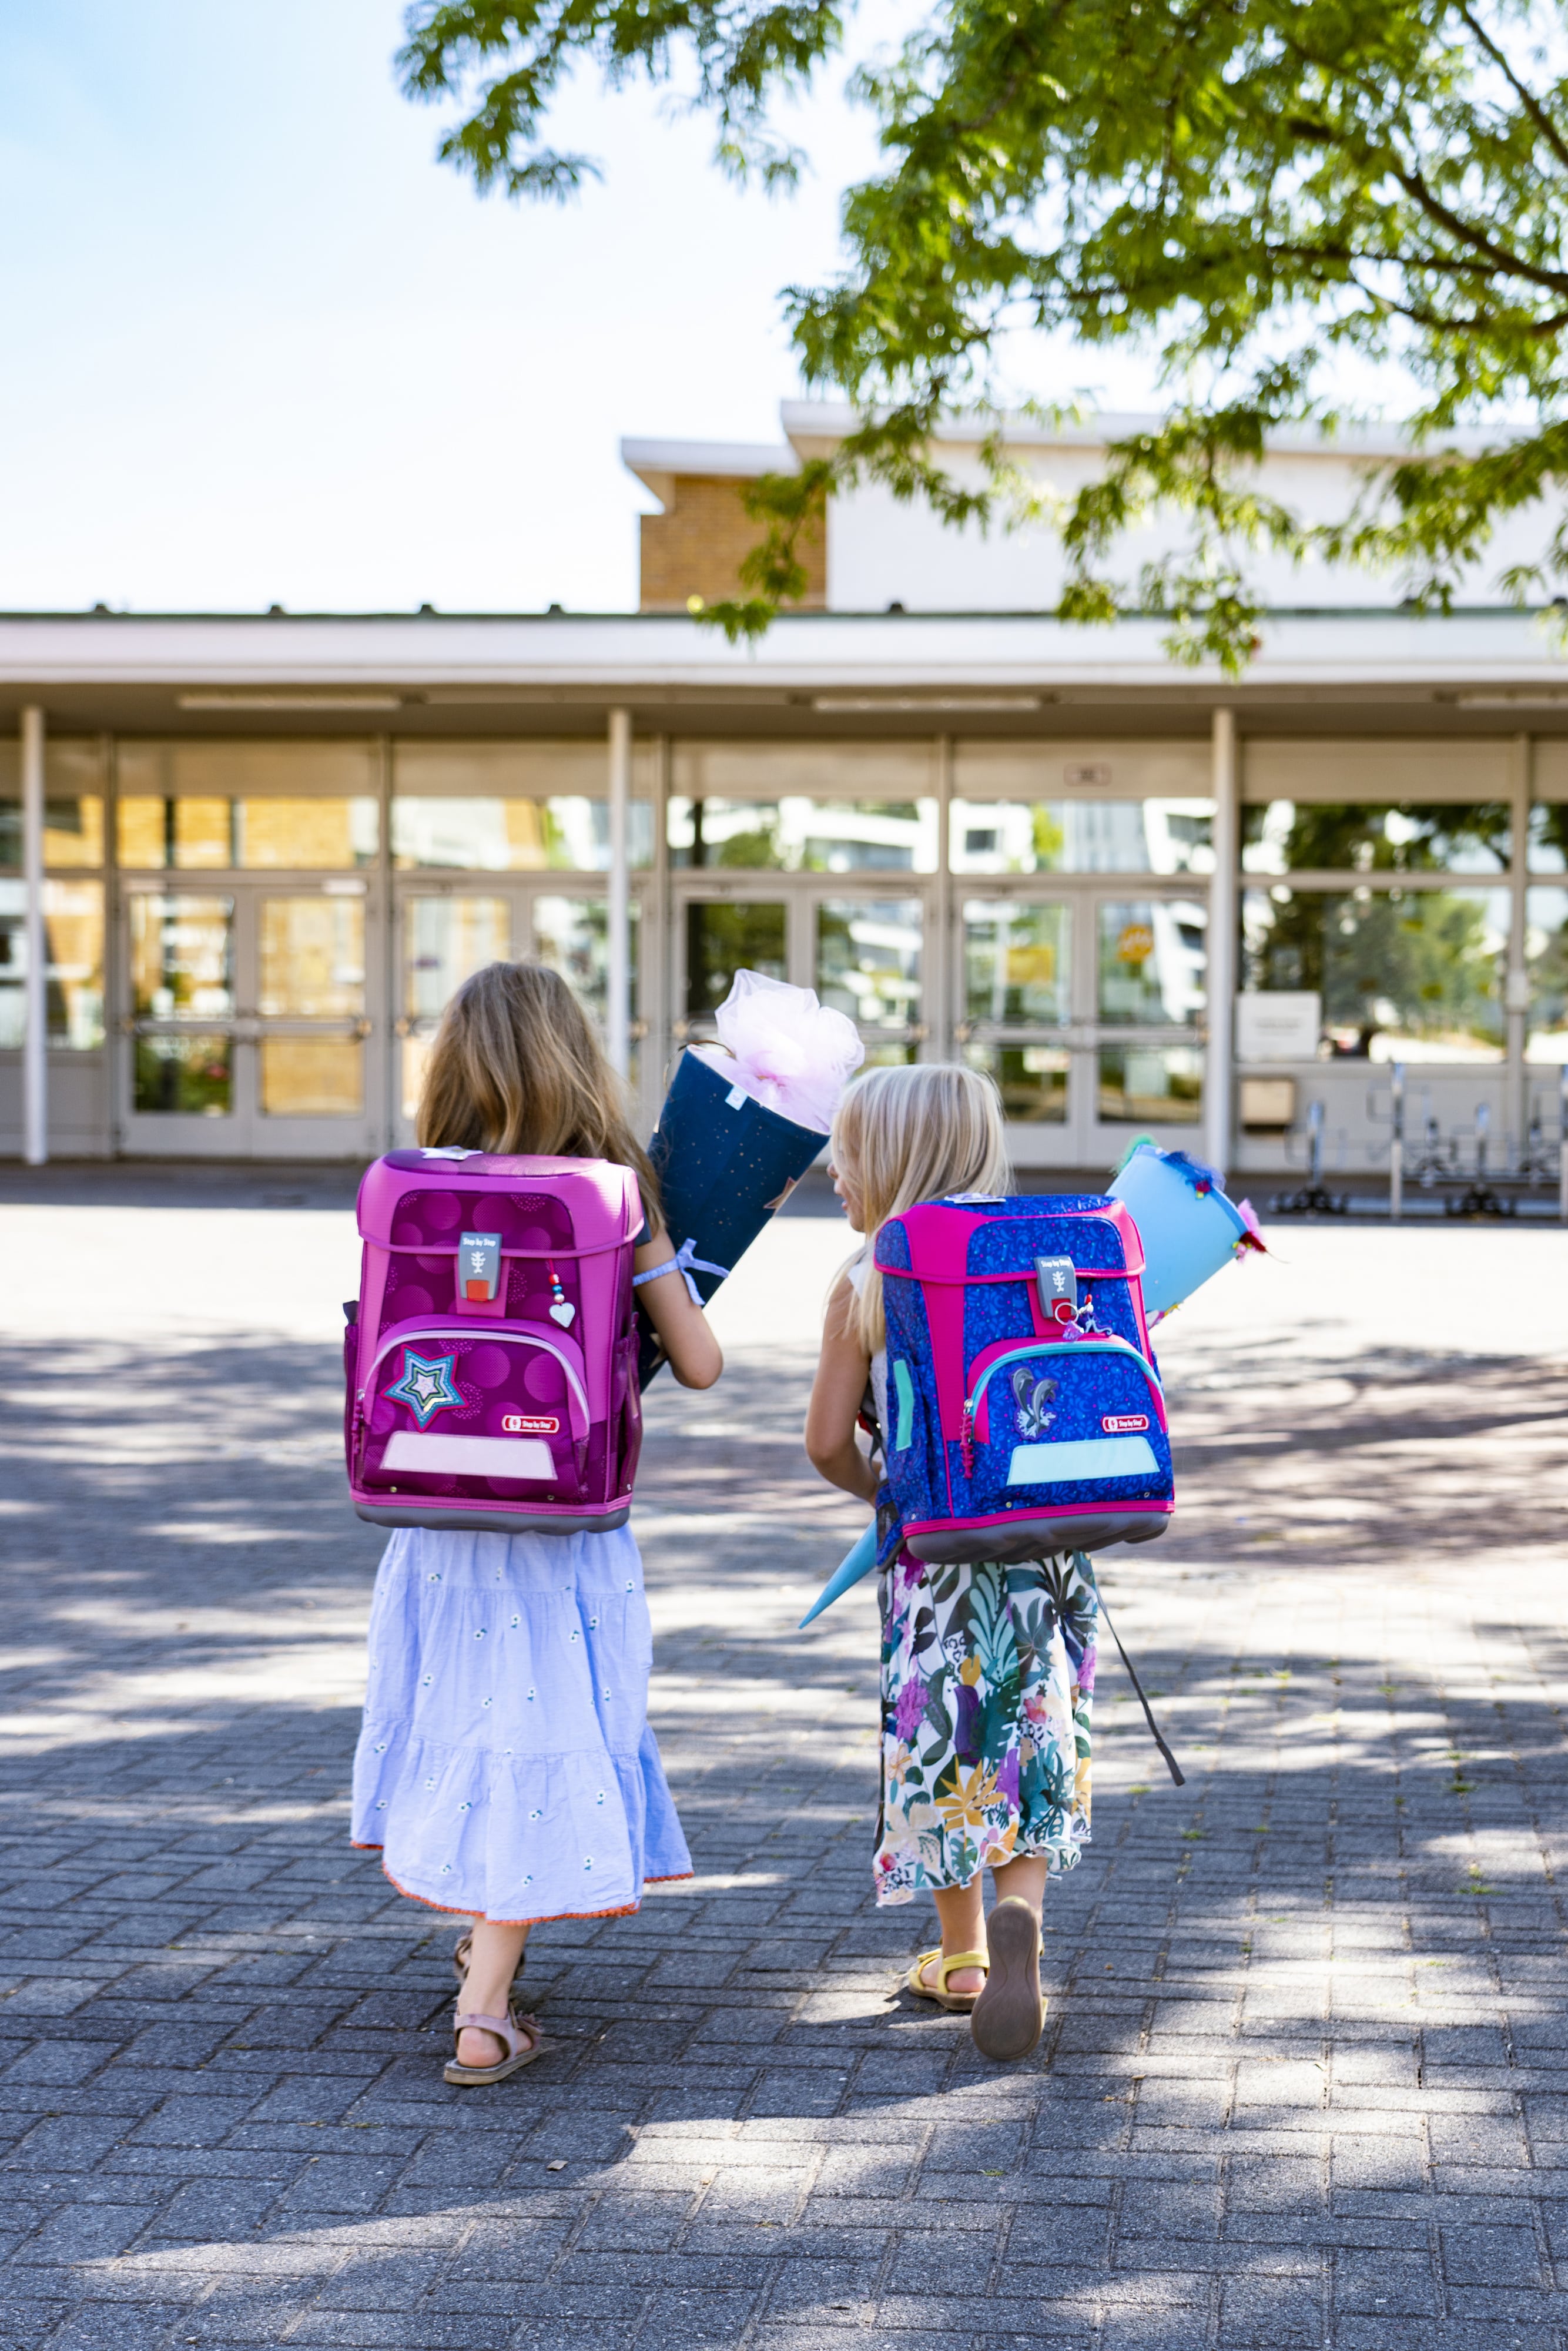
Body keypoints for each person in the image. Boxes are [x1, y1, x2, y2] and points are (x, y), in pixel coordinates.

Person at [351, 962, 722, 2087]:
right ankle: (485, 2007)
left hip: (437, 1519)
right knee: (532, 1730)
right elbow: (699, 1366)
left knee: (474, 1727)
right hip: (564, 1533)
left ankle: (483, 1950)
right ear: (575, 1057)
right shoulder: (611, 1192)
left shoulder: (405, 1187)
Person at [803, 1064, 1097, 2062]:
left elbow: (826, 1440)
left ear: (890, 1158)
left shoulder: (868, 1278)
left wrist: (890, 1498)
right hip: (1047, 1555)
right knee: (1031, 1727)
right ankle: (1025, 1918)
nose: (834, 1171)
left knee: (945, 1734)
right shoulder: (1037, 1257)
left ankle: (964, 1955)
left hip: (936, 1567)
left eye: (846, 1153)